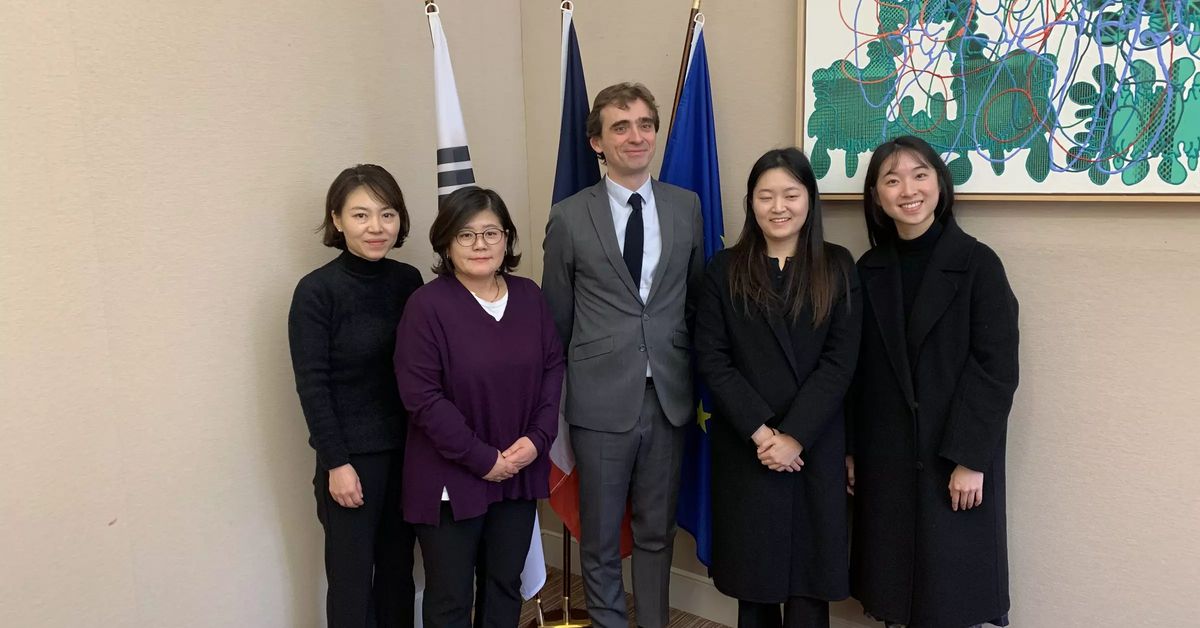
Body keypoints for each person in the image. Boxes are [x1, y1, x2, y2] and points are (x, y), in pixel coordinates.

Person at [541, 81, 705, 628]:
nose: (636, 136)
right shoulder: (569, 216)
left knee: (657, 532)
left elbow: (695, 299)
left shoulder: (686, 206)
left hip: (669, 399)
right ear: (597, 142)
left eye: (645, 125)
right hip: (598, 404)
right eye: (621, 126)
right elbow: (556, 317)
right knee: (601, 537)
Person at [848, 136, 1019, 628]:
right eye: (892, 179)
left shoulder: (978, 263)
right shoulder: (867, 269)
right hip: (887, 458)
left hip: (953, 458)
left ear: (940, 183)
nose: (908, 190)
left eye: (919, 175)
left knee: (951, 595)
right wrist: (852, 449)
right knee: (894, 591)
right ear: (876, 195)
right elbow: (855, 372)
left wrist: (970, 457)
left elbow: (996, 369)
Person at [695, 147, 861, 628]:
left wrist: (795, 436)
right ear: (751, 202)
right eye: (765, 196)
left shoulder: (837, 265)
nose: (778, 206)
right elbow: (712, 358)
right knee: (755, 587)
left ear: (810, 198)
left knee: (809, 588)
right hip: (749, 446)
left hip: (814, 446)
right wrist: (765, 435)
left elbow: (840, 362)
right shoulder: (724, 268)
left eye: (791, 194)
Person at [394, 186, 564, 628]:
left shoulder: (529, 296)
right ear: (446, 243)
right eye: (466, 234)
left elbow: (552, 369)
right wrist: (482, 458)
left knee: (504, 585)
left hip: (519, 467)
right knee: (451, 597)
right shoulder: (426, 306)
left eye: (491, 232)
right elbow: (422, 397)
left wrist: (537, 440)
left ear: (507, 239)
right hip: (450, 475)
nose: (480, 244)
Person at [287, 164, 419, 628]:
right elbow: (312, 385)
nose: (376, 227)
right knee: (351, 583)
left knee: (399, 576)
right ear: (337, 220)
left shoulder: (409, 281)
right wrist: (336, 464)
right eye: (361, 215)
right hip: (350, 462)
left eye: (387, 214)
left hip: (409, 454)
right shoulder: (316, 291)